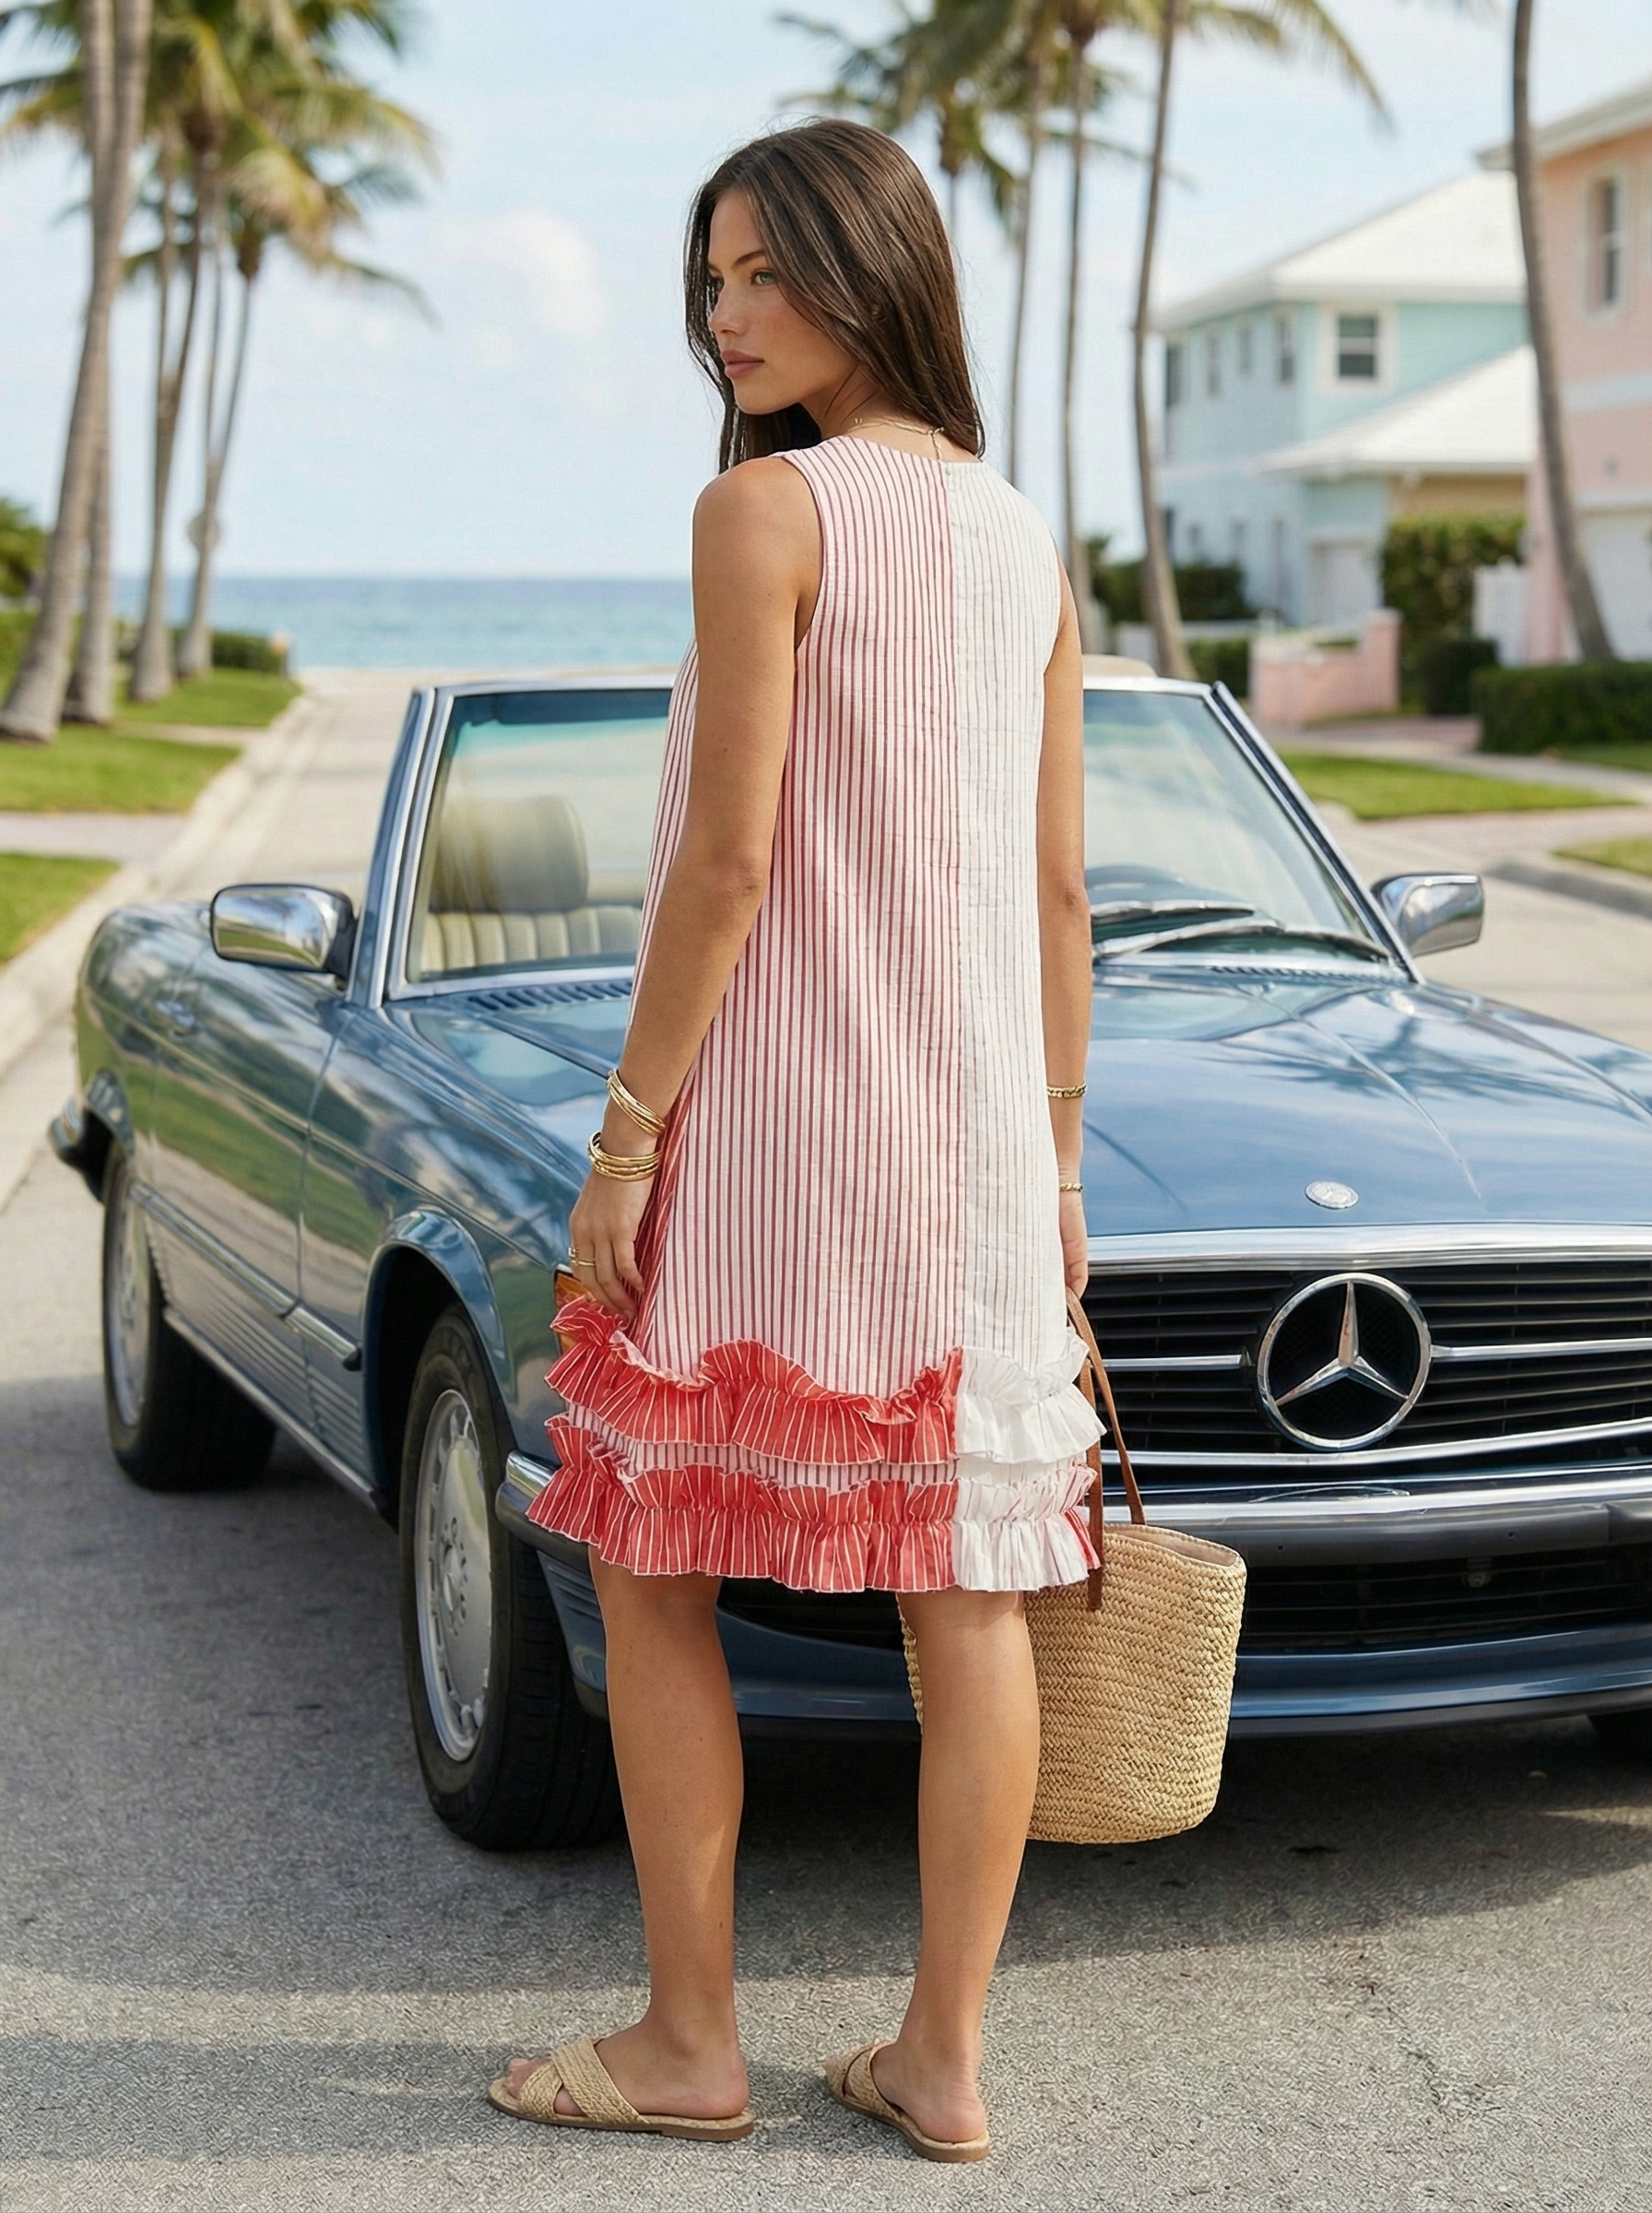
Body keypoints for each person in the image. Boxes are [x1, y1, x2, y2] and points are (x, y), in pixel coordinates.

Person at [489, 116, 1095, 2165]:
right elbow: (1057, 900)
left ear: (863, 266)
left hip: (771, 1138)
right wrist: (1064, 1177)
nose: (722, 316)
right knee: (964, 1595)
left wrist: (624, 1134)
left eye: (760, 272)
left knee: (657, 1562)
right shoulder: (1020, 540)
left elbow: (725, 863)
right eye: (710, 280)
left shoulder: (764, 519)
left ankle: (690, 2041)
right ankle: (939, 2060)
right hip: (981, 1167)